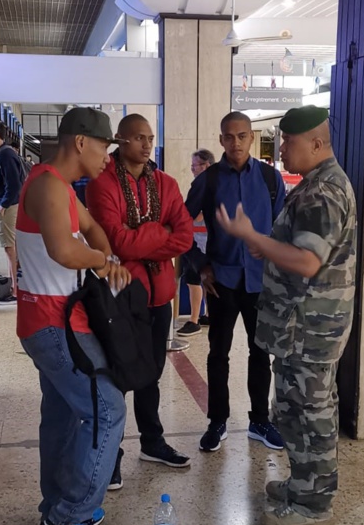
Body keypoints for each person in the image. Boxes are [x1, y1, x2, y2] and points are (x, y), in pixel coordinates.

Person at [217, 105, 357, 525]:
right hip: (302, 326)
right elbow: (296, 247)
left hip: (311, 328)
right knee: (295, 409)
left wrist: (253, 238)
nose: (280, 149)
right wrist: (267, 247)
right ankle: (301, 483)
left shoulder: (323, 192)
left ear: (316, 143)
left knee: (311, 412)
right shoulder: (313, 185)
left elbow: (309, 261)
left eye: (288, 141)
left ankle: (314, 504)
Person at [17, 107, 131, 525]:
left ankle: (54, 510)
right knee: (108, 409)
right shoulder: (46, 184)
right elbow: (64, 250)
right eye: (104, 146)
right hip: (51, 323)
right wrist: (104, 264)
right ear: (81, 142)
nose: (107, 156)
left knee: (63, 417)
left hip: (55, 320)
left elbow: (91, 230)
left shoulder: (61, 188)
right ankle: (71, 516)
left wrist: (104, 250)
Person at [86, 113, 192, 484]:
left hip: (158, 295)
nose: (148, 144)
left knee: (151, 374)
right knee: (116, 374)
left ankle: (152, 441)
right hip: (120, 296)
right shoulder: (101, 184)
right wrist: (158, 233)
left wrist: (142, 237)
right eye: (139, 138)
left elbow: (185, 236)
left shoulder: (166, 183)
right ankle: (110, 454)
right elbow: (116, 241)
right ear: (120, 140)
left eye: (151, 137)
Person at [185, 112, 286, 453]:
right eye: (229, 137)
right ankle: (217, 421)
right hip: (222, 281)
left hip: (262, 283)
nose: (236, 143)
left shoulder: (271, 180)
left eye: (242, 136)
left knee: (261, 353)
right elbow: (181, 227)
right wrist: (200, 265)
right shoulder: (209, 180)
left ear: (252, 137)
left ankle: (260, 420)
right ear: (221, 140)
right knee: (218, 353)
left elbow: (283, 231)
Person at [0, 120, 24, 299]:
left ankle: (15, 288)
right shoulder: (4, 153)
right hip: (6, 204)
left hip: (7, 206)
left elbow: (14, 183)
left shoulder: (4, 154)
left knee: (9, 247)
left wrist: (4, 204)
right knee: (11, 246)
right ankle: (13, 285)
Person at [177, 148, 214, 336]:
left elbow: (193, 213)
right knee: (206, 278)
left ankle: (194, 319)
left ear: (206, 165)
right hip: (208, 240)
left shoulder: (204, 183)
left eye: (195, 166)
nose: (192, 169)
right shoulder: (218, 181)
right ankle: (208, 314)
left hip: (199, 240)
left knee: (193, 278)